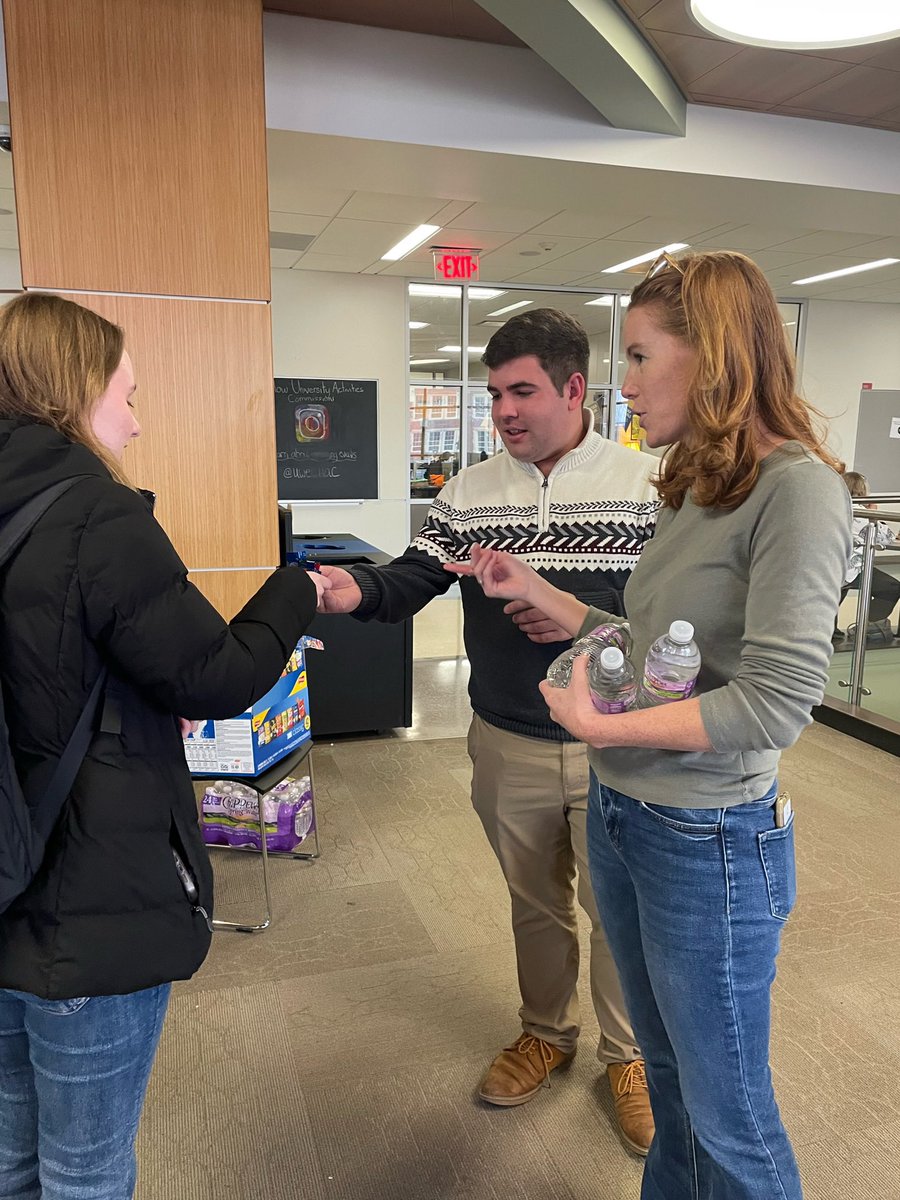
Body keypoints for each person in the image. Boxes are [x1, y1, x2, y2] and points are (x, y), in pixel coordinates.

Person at [447, 251, 852, 1199]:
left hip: (707, 838)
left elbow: (775, 702)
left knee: (731, 1117)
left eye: (636, 358)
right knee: (670, 1087)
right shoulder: (695, 484)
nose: (621, 386)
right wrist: (556, 602)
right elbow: (665, 651)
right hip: (630, 819)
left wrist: (606, 726)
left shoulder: (796, 489)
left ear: (710, 356)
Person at [0, 292, 330, 1200]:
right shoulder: (96, 515)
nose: (135, 424)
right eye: (128, 395)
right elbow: (216, 676)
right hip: (85, 900)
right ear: (73, 393)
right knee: (86, 1167)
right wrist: (293, 591)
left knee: (10, 1158)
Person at [316, 308, 660, 1153]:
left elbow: (676, 620)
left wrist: (584, 616)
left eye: (522, 391)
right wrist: (357, 593)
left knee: (619, 907)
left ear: (574, 389)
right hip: (507, 735)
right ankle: (547, 1031)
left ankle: (630, 1056)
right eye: (494, 392)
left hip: (621, 739)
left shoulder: (651, 487)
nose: (504, 411)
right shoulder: (469, 493)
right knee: (535, 902)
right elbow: (412, 576)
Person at [838, 470, 899, 641]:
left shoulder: (835, 506)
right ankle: (866, 629)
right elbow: (885, 537)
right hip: (852, 569)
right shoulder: (858, 511)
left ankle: (832, 634)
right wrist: (873, 512)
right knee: (892, 588)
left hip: (833, 567)